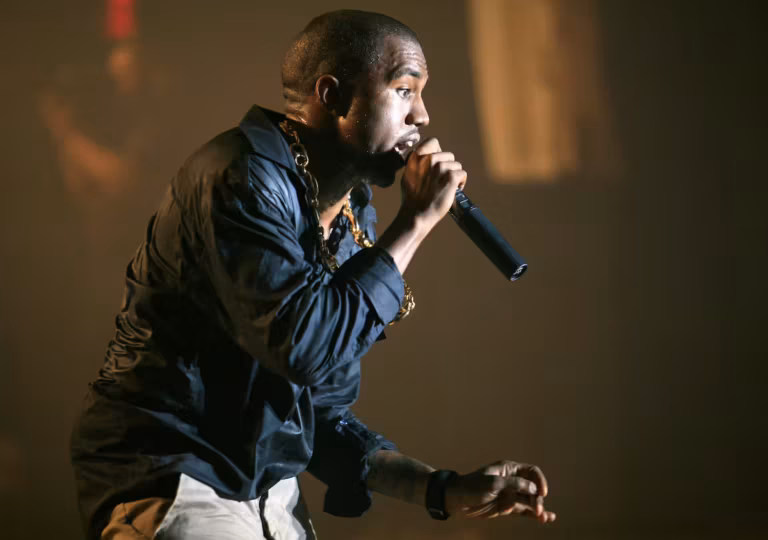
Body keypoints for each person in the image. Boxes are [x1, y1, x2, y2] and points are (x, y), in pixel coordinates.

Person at [71, 10, 556, 539]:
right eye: (403, 90)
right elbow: (301, 347)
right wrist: (415, 223)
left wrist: (442, 490)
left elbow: (319, 413)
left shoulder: (350, 211)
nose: (422, 115)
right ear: (332, 96)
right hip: (175, 472)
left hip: (267, 491)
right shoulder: (241, 177)